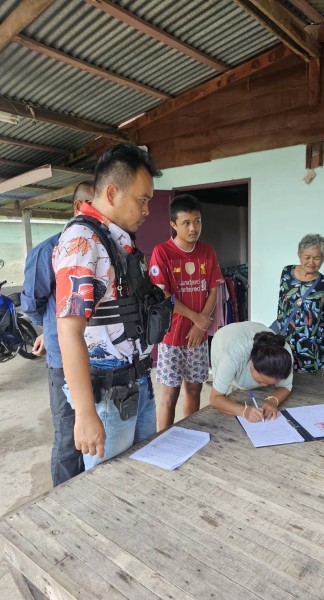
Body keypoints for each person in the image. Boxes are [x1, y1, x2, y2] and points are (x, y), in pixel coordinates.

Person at [54, 143, 161, 468]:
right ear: (112, 193)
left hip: (138, 383)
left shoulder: (116, 240)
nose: (147, 210)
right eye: (142, 200)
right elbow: (68, 331)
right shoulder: (82, 243)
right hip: (108, 395)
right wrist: (85, 413)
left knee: (145, 474)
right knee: (112, 489)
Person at [21, 180, 94, 486]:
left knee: (95, 431)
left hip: (99, 358)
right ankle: (62, 502)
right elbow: (32, 303)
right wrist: (49, 330)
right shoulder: (48, 250)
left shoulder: (103, 248)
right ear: (78, 207)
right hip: (63, 360)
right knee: (68, 437)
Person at [149, 194, 223, 430]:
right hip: (171, 336)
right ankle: (164, 439)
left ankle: (188, 435)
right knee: (169, 395)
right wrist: (196, 318)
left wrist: (201, 325)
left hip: (197, 337)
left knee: (194, 389)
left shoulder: (207, 252)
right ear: (173, 224)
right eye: (186, 223)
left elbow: (213, 289)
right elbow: (163, 293)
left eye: (197, 221)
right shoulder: (162, 252)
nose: (193, 228)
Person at [275, 234, 324, 377]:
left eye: (317, 258)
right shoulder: (286, 273)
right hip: (285, 341)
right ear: (299, 255)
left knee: (312, 387)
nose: (311, 262)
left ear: (323, 259)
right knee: (282, 380)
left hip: (311, 346)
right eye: (307, 257)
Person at [209, 321, 293, 422]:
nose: (265, 386)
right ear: (252, 362)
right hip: (225, 338)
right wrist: (244, 411)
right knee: (226, 391)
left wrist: (273, 401)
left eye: (270, 383)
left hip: (248, 333)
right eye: (262, 381)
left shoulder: (284, 356)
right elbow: (215, 399)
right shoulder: (231, 355)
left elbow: (285, 386)